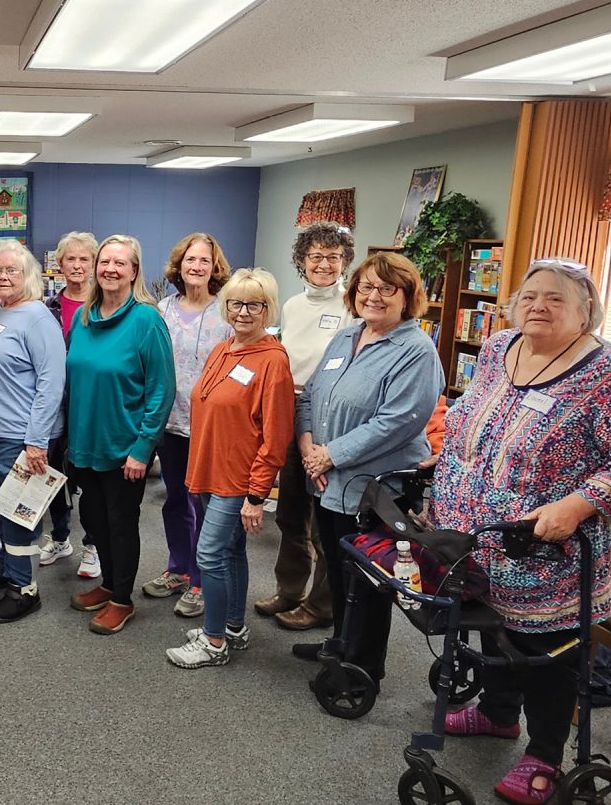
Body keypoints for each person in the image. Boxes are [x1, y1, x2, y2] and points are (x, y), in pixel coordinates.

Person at [431, 259, 611, 803]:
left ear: (587, 312)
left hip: (549, 546)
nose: (538, 307)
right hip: (477, 532)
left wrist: (580, 503)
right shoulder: (500, 346)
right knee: (489, 625)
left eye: (555, 299)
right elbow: (470, 417)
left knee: (548, 652)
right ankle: (497, 713)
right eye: (529, 297)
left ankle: (544, 754)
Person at [293, 251, 443, 682]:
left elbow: (398, 421)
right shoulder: (345, 338)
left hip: (375, 490)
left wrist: (329, 454)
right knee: (338, 573)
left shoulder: (415, 350)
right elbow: (310, 396)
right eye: (366, 287)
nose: (373, 296)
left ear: (407, 296)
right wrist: (308, 446)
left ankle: (362, 665)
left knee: (369, 580)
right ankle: (340, 642)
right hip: (326, 480)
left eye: (386, 288)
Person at [165, 268, 294, 668]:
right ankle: (233, 625)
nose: (243, 312)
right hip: (207, 470)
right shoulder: (224, 349)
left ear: (267, 308)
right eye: (236, 303)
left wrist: (256, 496)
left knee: (210, 555)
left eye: (254, 304)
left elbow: (275, 438)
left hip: (236, 480)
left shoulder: (272, 361)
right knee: (231, 551)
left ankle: (214, 640)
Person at [65, 234, 176, 634]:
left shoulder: (146, 320)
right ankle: (109, 583)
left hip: (124, 448)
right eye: (104, 262)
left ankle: (123, 599)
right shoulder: (85, 316)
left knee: (120, 523)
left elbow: (162, 390)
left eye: (120, 263)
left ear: (133, 271)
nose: (110, 269)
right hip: (85, 444)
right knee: (93, 519)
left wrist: (143, 448)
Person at [255, 222, 356, 632]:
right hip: (292, 410)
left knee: (323, 519)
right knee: (291, 514)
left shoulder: (353, 305)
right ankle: (290, 590)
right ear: (302, 261)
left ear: (345, 262)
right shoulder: (293, 306)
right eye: (315, 256)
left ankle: (322, 605)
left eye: (333, 257)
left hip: (331, 419)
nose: (324, 264)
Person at [0, 240, 66, 623]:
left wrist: (37, 441)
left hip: (19, 437)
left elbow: (51, 384)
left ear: (29, 276)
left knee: (20, 513)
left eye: (12, 271)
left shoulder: (39, 318)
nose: (4, 277)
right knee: (1, 506)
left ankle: (25, 588)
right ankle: (9, 567)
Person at [146, 232, 232, 619]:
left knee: (202, 505)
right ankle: (178, 568)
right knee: (175, 500)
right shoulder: (162, 309)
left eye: (204, 261)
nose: (196, 267)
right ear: (178, 266)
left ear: (215, 268)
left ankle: (201, 580)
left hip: (209, 427)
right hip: (170, 422)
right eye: (190, 260)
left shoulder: (227, 312)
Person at [44, 231, 99, 579]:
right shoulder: (45, 307)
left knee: (91, 480)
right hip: (54, 404)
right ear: (59, 264)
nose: (77, 265)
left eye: (84, 259)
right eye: (70, 259)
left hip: (91, 405)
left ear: (93, 265)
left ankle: (92, 546)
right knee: (54, 476)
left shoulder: (104, 305)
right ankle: (61, 537)